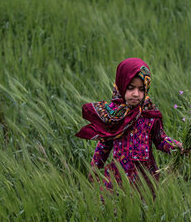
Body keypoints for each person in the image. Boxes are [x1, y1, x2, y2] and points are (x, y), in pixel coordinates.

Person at [76, 58, 183, 191]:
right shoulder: (113, 116)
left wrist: (176, 147)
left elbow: (160, 139)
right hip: (118, 176)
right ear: (121, 85)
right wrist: (95, 166)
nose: (136, 94)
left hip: (145, 178)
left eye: (141, 89)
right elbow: (105, 143)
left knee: (144, 209)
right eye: (130, 88)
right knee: (116, 208)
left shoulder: (150, 114)